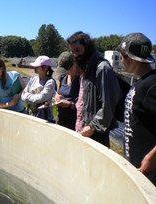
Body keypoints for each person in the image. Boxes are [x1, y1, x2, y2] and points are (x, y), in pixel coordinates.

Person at [67, 31, 122, 147]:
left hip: (96, 133)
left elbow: (109, 103)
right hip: (83, 128)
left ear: (87, 47)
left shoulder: (102, 68)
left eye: (77, 50)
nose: (75, 55)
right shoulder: (85, 68)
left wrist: (93, 127)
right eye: (72, 51)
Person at [118, 32, 156, 184]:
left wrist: (151, 158)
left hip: (150, 173)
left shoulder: (152, 86)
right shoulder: (141, 83)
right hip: (136, 166)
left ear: (129, 58)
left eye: (122, 57)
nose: (121, 62)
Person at [21, 56, 55, 122]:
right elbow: (23, 95)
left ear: (45, 67)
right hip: (30, 115)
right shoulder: (33, 79)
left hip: (44, 119)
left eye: (37, 66)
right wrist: (29, 97)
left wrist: (27, 97)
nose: (34, 68)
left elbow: (41, 98)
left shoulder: (50, 82)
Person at [55, 51, 81, 130]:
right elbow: (57, 92)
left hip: (75, 124)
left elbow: (84, 106)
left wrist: (70, 104)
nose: (66, 72)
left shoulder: (81, 80)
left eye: (67, 69)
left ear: (75, 64)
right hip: (61, 120)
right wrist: (56, 96)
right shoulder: (62, 77)